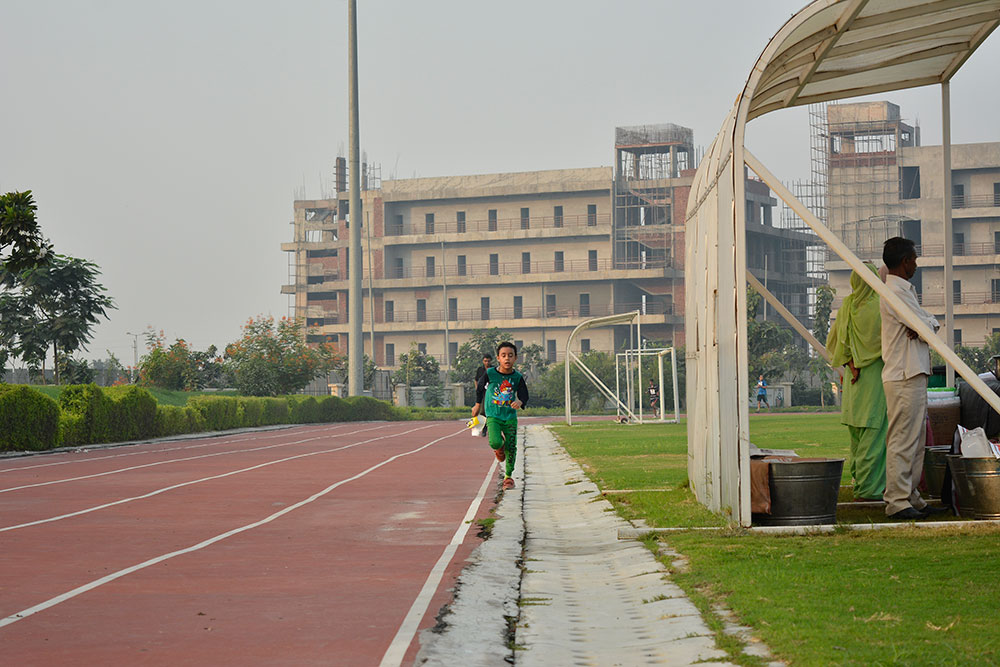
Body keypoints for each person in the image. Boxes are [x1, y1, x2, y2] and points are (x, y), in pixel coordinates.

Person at [880, 237, 947, 520]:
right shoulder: (895, 291)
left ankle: (910, 496)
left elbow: (925, 324)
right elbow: (923, 325)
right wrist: (924, 325)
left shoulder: (904, 290)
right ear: (905, 261)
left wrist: (924, 325)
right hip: (903, 373)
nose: (916, 265)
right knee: (903, 439)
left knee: (916, 440)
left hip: (912, 372)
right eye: (914, 259)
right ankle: (897, 501)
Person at [826, 263, 888, 501]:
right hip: (874, 378)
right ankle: (869, 490)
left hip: (853, 380)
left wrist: (851, 362)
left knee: (857, 437)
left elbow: (835, 344)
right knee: (875, 434)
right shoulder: (880, 306)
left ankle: (860, 483)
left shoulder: (846, 307)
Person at [471, 342, 529, 490]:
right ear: (498, 358)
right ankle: (500, 447)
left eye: (510, 355)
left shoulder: (517, 377)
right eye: (503, 355)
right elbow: (480, 388)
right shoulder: (490, 373)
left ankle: (508, 477)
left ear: (515, 358)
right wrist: (477, 405)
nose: (507, 358)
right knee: (495, 442)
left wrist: (520, 401)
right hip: (493, 415)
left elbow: (524, 394)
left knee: (512, 447)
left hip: (510, 417)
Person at [474, 354, 493, 438]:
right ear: (483, 361)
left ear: (491, 361)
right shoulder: (480, 370)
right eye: (485, 361)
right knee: (483, 411)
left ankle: (491, 428)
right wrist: (477, 389)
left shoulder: (494, 369)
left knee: (491, 412)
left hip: (492, 393)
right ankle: (484, 429)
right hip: (483, 393)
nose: (487, 363)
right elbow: (476, 380)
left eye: (488, 361)